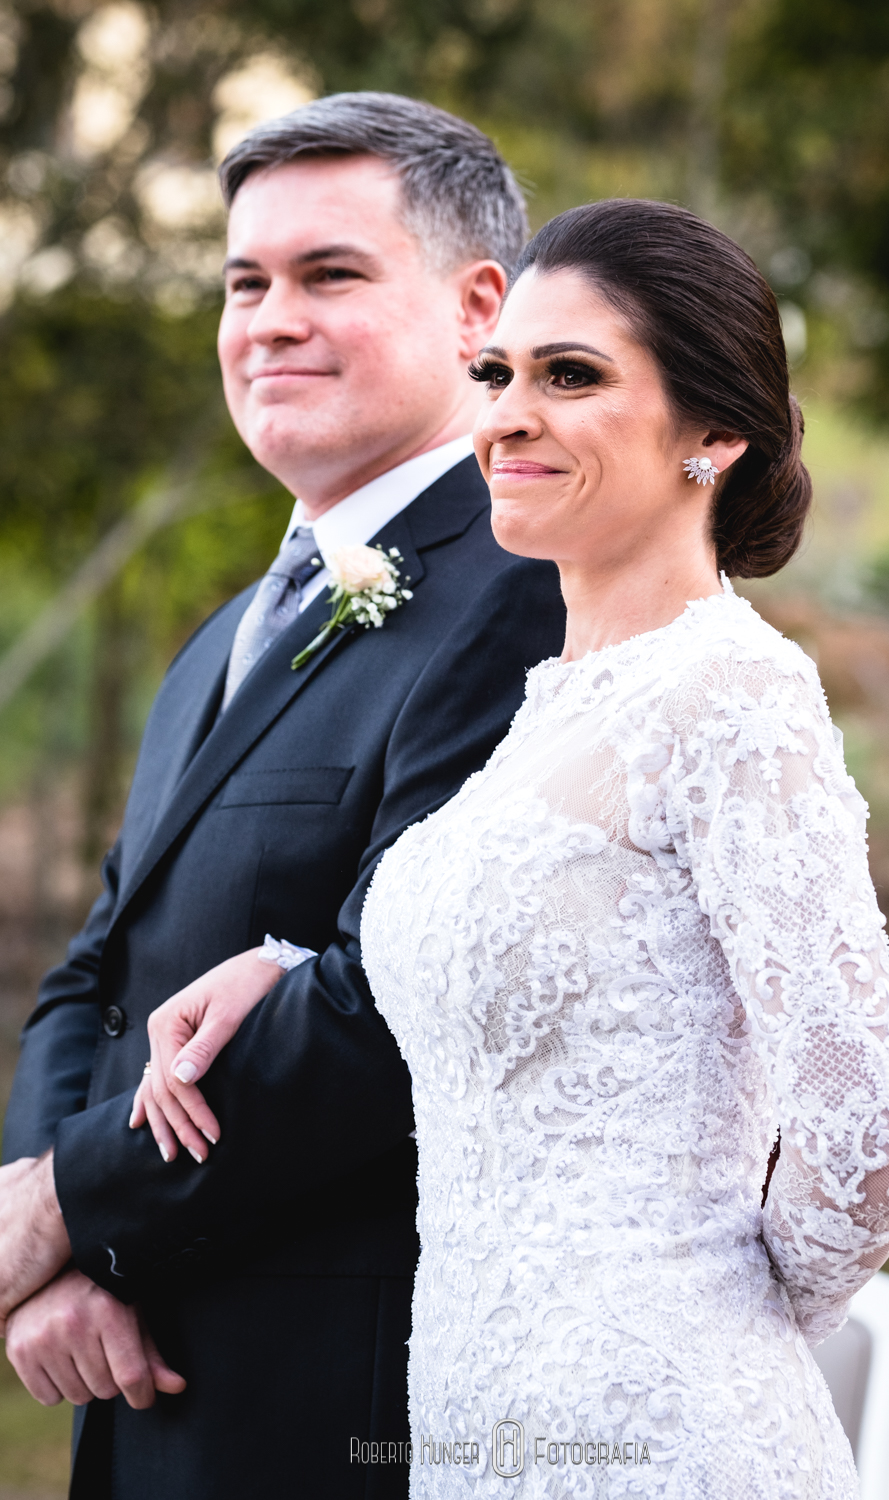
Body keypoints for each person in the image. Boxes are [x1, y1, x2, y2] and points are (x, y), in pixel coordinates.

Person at [145, 199, 889, 1497]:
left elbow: (867, 1145)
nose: (507, 413)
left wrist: (700, 1323)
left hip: (663, 1434)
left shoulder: (732, 698)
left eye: (571, 375)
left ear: (715, 432)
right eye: (496, 372)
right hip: (472, 1424)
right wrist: (281, 966)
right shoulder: (549, 703)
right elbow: (542, 964)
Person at [0, 93, 565, 1499]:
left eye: (330, 275)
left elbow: (395, 1014)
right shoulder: (216, 644)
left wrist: (72, 1204)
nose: (267, 321)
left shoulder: (528, 600)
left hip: (337, 1407)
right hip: (137, 1387)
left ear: (476, 309)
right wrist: (48, 1258)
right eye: (245, 282)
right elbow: (95, 978)